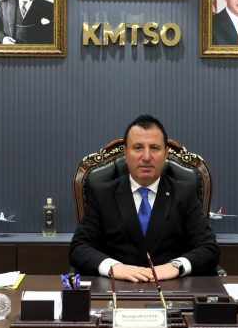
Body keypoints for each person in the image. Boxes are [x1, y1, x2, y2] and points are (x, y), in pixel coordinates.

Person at [69, 115, 220, 282]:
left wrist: (175, 266)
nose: (146, 157)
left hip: (171, 287)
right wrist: (114, 267)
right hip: (116, 287)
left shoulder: (184, 193)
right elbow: (79, 248)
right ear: (125, 153)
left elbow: (209, 248)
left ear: (165, 154)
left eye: (154, 148)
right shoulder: (102, 194)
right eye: (138, 148)